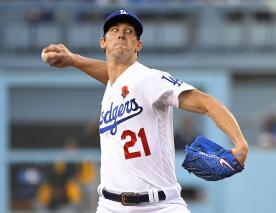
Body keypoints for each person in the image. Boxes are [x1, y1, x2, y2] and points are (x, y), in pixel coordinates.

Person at [42, 9, 249, 213]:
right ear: (103, 42)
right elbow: (110, 74)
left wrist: (240, 144)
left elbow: (208, 103)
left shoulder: (149, 79)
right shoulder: (114, 85)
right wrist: (73, 60)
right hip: (110, 205)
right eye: (114, 29)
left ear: (138, 46)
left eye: (130, 31)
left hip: (160, 205)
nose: (122, 33)